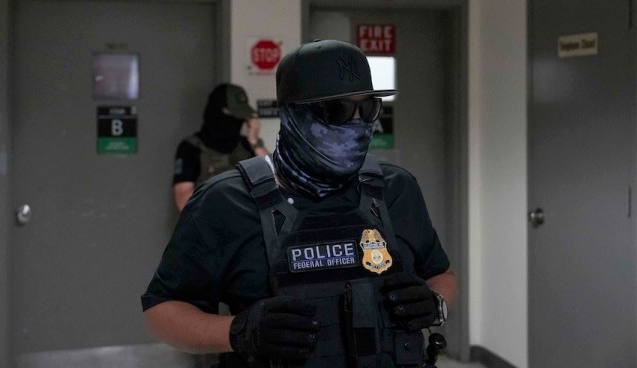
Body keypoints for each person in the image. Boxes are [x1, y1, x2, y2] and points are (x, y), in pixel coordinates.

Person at [143, 40, 457, 367]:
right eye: (336, 110)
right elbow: (161, 311)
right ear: (292, 113)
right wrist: (237, 331)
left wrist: (436, 303)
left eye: (368, 107)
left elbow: (442, 274)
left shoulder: (396, 188)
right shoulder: (224, 201)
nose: (356, 123)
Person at [173, 83, 269, 211]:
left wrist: (255, 141)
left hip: (246, 227)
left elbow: (274, 180)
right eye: (233, 116)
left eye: (240, 117)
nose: (237, 121)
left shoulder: (247, 146)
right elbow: (183, 202)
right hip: (210, 227)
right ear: (218, 112)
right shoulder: (191, 148)